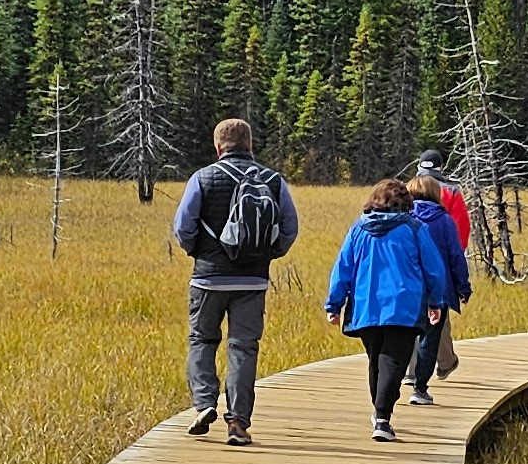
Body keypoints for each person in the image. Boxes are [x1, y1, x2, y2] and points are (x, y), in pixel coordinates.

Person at [170, 116, 296, 446]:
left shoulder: (203, 178)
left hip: (208, 278)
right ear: (250, 145)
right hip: (252, 281)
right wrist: (267, 254)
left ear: (218, 147)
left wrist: (198, 251)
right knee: (243, 348)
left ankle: (205, 403)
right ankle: (238, 423)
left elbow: (183, 227)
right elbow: (289, 229)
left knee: (201, 340)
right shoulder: (273, 180)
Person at [324, 175, 446, 441]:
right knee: (393, 361)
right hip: (404, 307)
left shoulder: (358, 229)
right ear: (406, 203)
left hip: (366, 307)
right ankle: (382, 418)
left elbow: (342, 268)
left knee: (376, 360)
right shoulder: (414, 229)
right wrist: (436, 301)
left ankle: (379, 412)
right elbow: (434, 269)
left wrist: (334, 304)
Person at [407, 155, 473, 396]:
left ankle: (411, 371)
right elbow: (461, 232)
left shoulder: (408, 191)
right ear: (441, 167)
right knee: (437, 321)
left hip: (411, 272)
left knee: (412, 319)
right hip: (442, 266)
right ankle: (441, 365)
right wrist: (459, 276)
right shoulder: (452, 193)